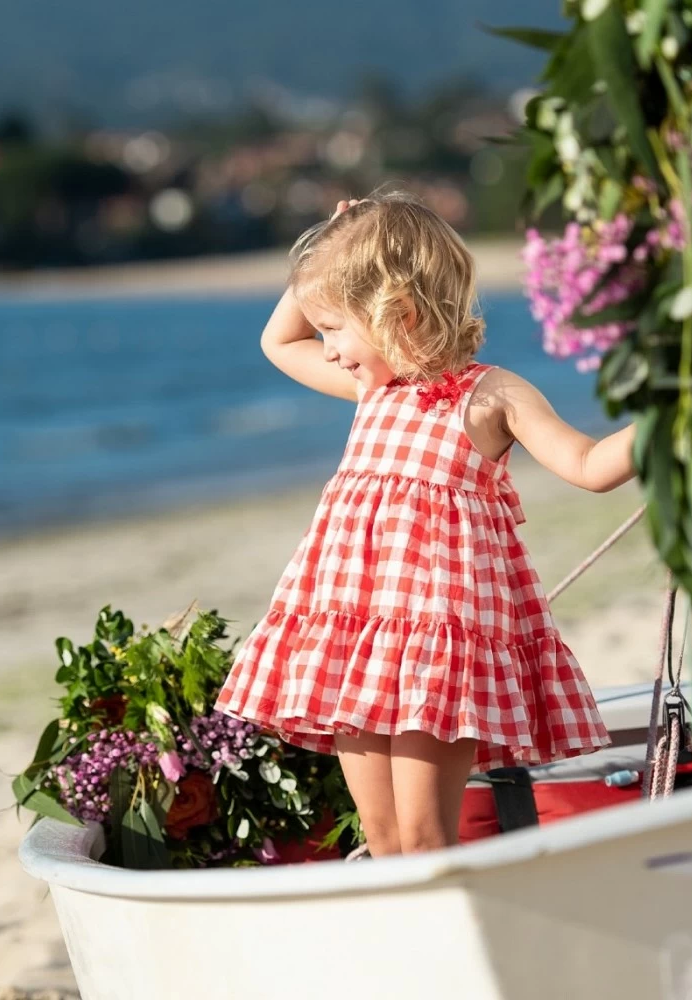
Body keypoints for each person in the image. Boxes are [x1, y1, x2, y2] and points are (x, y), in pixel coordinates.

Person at [213, 188, 636, 859]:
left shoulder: (493, 394)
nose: (325, 350)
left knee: (425, 834)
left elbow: (587, 463)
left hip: (438, 648)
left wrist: (669, 422)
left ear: (396, 312)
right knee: (382, 836)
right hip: (353, 635)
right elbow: (277, 339)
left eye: (336, 329)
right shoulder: (372, 389)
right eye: (321, 330)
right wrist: (336, 238)